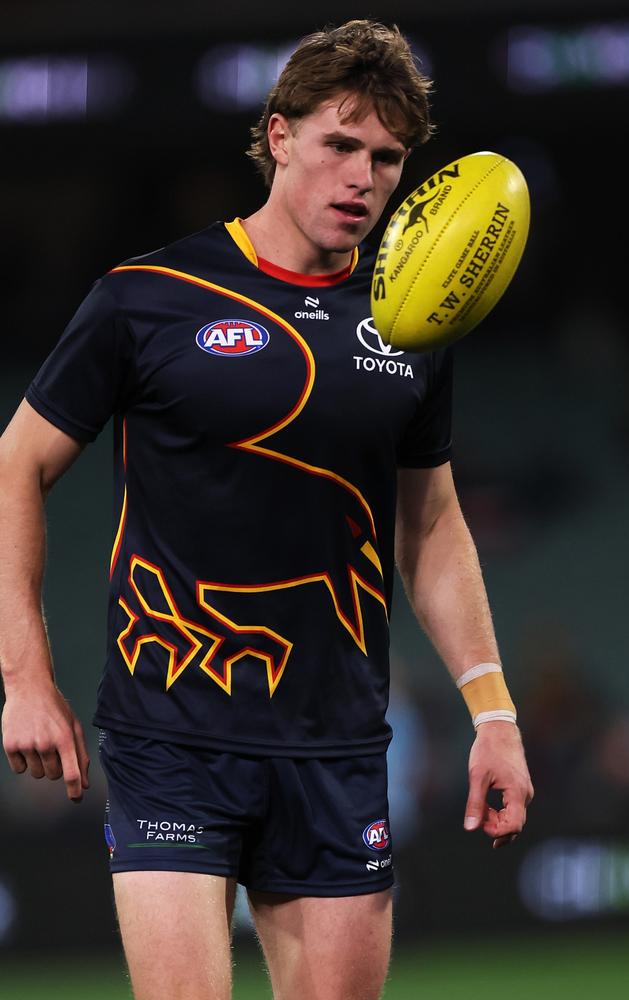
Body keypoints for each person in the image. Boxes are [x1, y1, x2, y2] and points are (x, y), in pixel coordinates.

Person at [0, 19, 533, 1000]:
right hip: (171, 734)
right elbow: (16, 463)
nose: (361, 176)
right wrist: (24, 674)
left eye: (385, 157)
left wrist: (490, 712)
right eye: (338, 144)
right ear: (278, 137)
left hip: (334, 746)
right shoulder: (146, 297)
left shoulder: (411, 323)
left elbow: (430, 527)